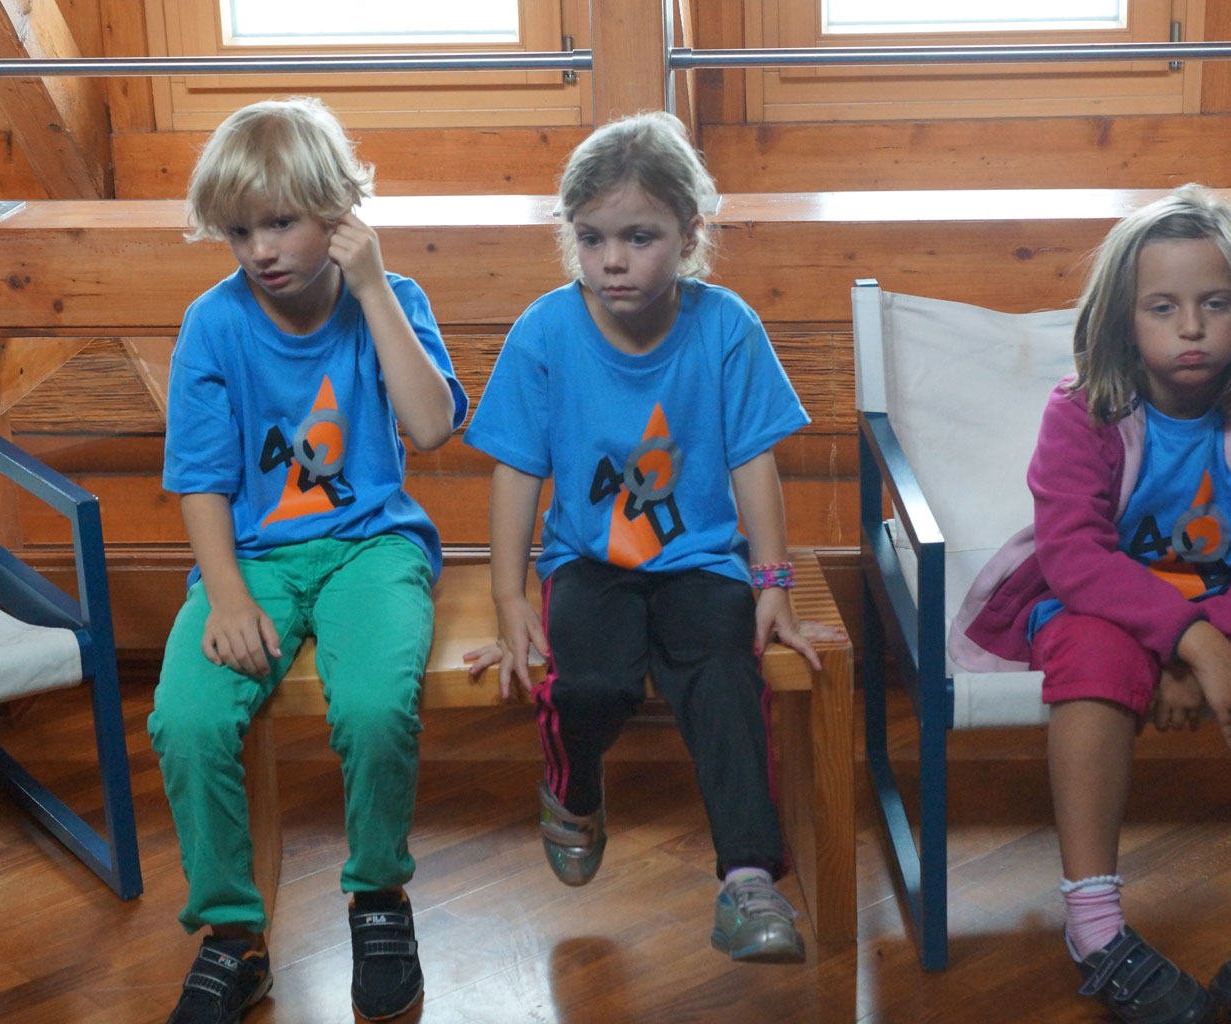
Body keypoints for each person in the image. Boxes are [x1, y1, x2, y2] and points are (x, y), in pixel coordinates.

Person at [951, 185, 1231, 1022]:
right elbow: (1076, 558)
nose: (1192, 327)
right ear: (1123, 320)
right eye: (1163, 307)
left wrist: (1220, 640)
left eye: (1215, 303)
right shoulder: (1083, 411)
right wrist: (1197, 645)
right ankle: (1094, 927)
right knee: (1089, 652)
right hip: (1106, 612)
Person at [461, 110, 844, 964]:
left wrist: (773, 584)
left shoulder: (727, 326)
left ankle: (749, 878)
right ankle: (573, 789)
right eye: (592, 238)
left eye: (640, 237)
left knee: (724, 677)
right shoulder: (545, 332)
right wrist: (508, 595)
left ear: (690, 234)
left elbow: (753, 461)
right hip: (589, 563)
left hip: (701, 563)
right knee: (591, 681)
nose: (613, 260)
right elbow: (517, 469)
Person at [148, 96, 467, 1024]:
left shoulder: (393, 301)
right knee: (188, 720)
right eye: (240, 231)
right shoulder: (213, 324)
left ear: (339, 212)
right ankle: (233, 937)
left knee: (373, 705)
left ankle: (379, 898)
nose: (261, 250)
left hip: (373, 547)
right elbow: (200, 479)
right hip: (251, 559)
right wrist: (224, 596)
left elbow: (431, 426)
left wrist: (373, 290)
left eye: (282, 222)